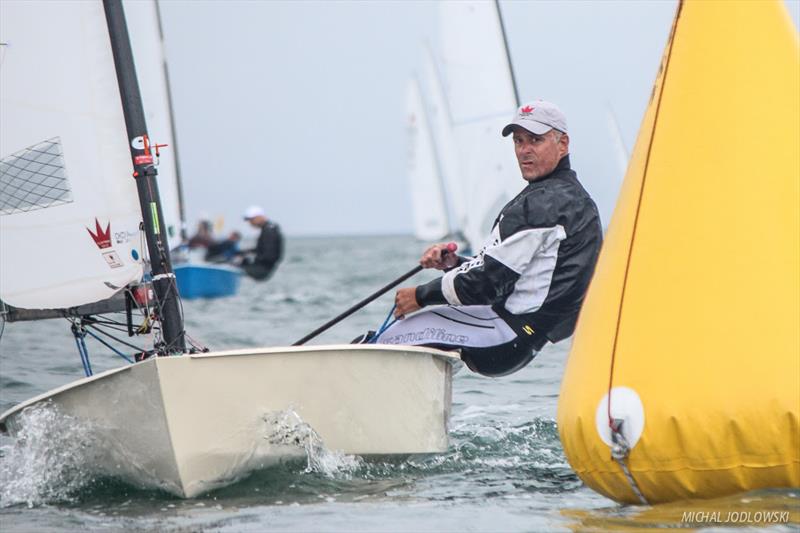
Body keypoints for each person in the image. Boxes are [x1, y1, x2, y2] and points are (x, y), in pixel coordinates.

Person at [373, 100, 603, 377]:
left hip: (505, 333)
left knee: (383, 341)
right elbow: (517, 276)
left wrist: (420, 296)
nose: (524, 151)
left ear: (562, 144)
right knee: (404, 340)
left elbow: (486, 283)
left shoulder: (544, 203)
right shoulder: (574, 199)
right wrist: (454, 263)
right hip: (525, 335)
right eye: (518, 141)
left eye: (535, 140)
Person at [240, 205, 283, 281]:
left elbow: (269, 255)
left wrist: (252, 257)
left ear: (259, 217)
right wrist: (245, 252)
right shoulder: (268, 229)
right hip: (261, 266)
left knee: (233, 266)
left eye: (251, 220)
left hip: (262, 269)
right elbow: (263, 249)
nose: (250, 223)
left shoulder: (269, 231)